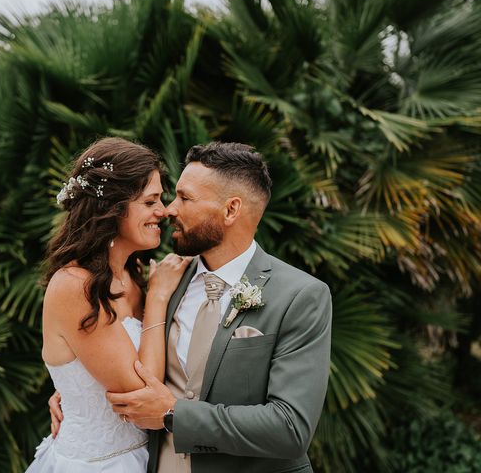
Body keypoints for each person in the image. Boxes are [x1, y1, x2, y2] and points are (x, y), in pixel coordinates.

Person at [50, 141, 333, 473]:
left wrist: (174, 415)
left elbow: (290, 428)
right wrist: (73, 395)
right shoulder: (159, 281)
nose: (169, 209)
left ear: (231, 210)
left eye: (184, 198)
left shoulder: (300, 296)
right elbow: (111, 354)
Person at [26, 137, 191, 472]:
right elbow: (144, 398)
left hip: (149, 458)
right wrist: (157, 298)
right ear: (113, 208)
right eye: (150, 201)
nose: (163, 211)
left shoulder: (133, 273)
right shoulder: (75, 286)